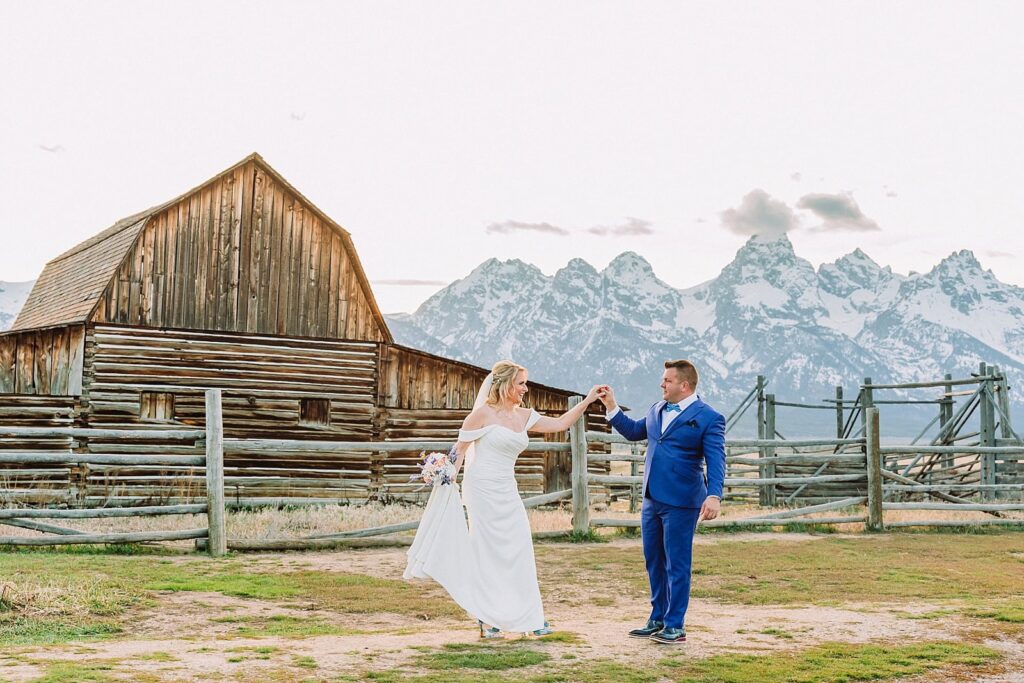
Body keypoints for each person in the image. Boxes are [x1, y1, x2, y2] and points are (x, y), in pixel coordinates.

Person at [404, 360, 602, 638]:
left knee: (519, 547)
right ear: (506, 384)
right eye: (521, 383)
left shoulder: (524, 416)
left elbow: (561, 422)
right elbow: (459, 451)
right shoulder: (481, 415)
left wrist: (589, 400)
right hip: (482, 489)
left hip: (507, 489)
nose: (525, 388)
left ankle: (531, 618)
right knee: (487, 552)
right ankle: (488, 618)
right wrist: (444, 475)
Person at [596, 359, 725, 644]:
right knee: (653, 560)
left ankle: (675, 625)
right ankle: (657, 618)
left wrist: (714, 495)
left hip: (683, 500)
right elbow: (632, 432)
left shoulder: (709, 417)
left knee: (677, 563)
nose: (661, 384)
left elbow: (717, 461)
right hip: (652, 499)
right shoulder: (656, 409)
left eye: (667, 380)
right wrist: (611, 405)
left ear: (684, 385)